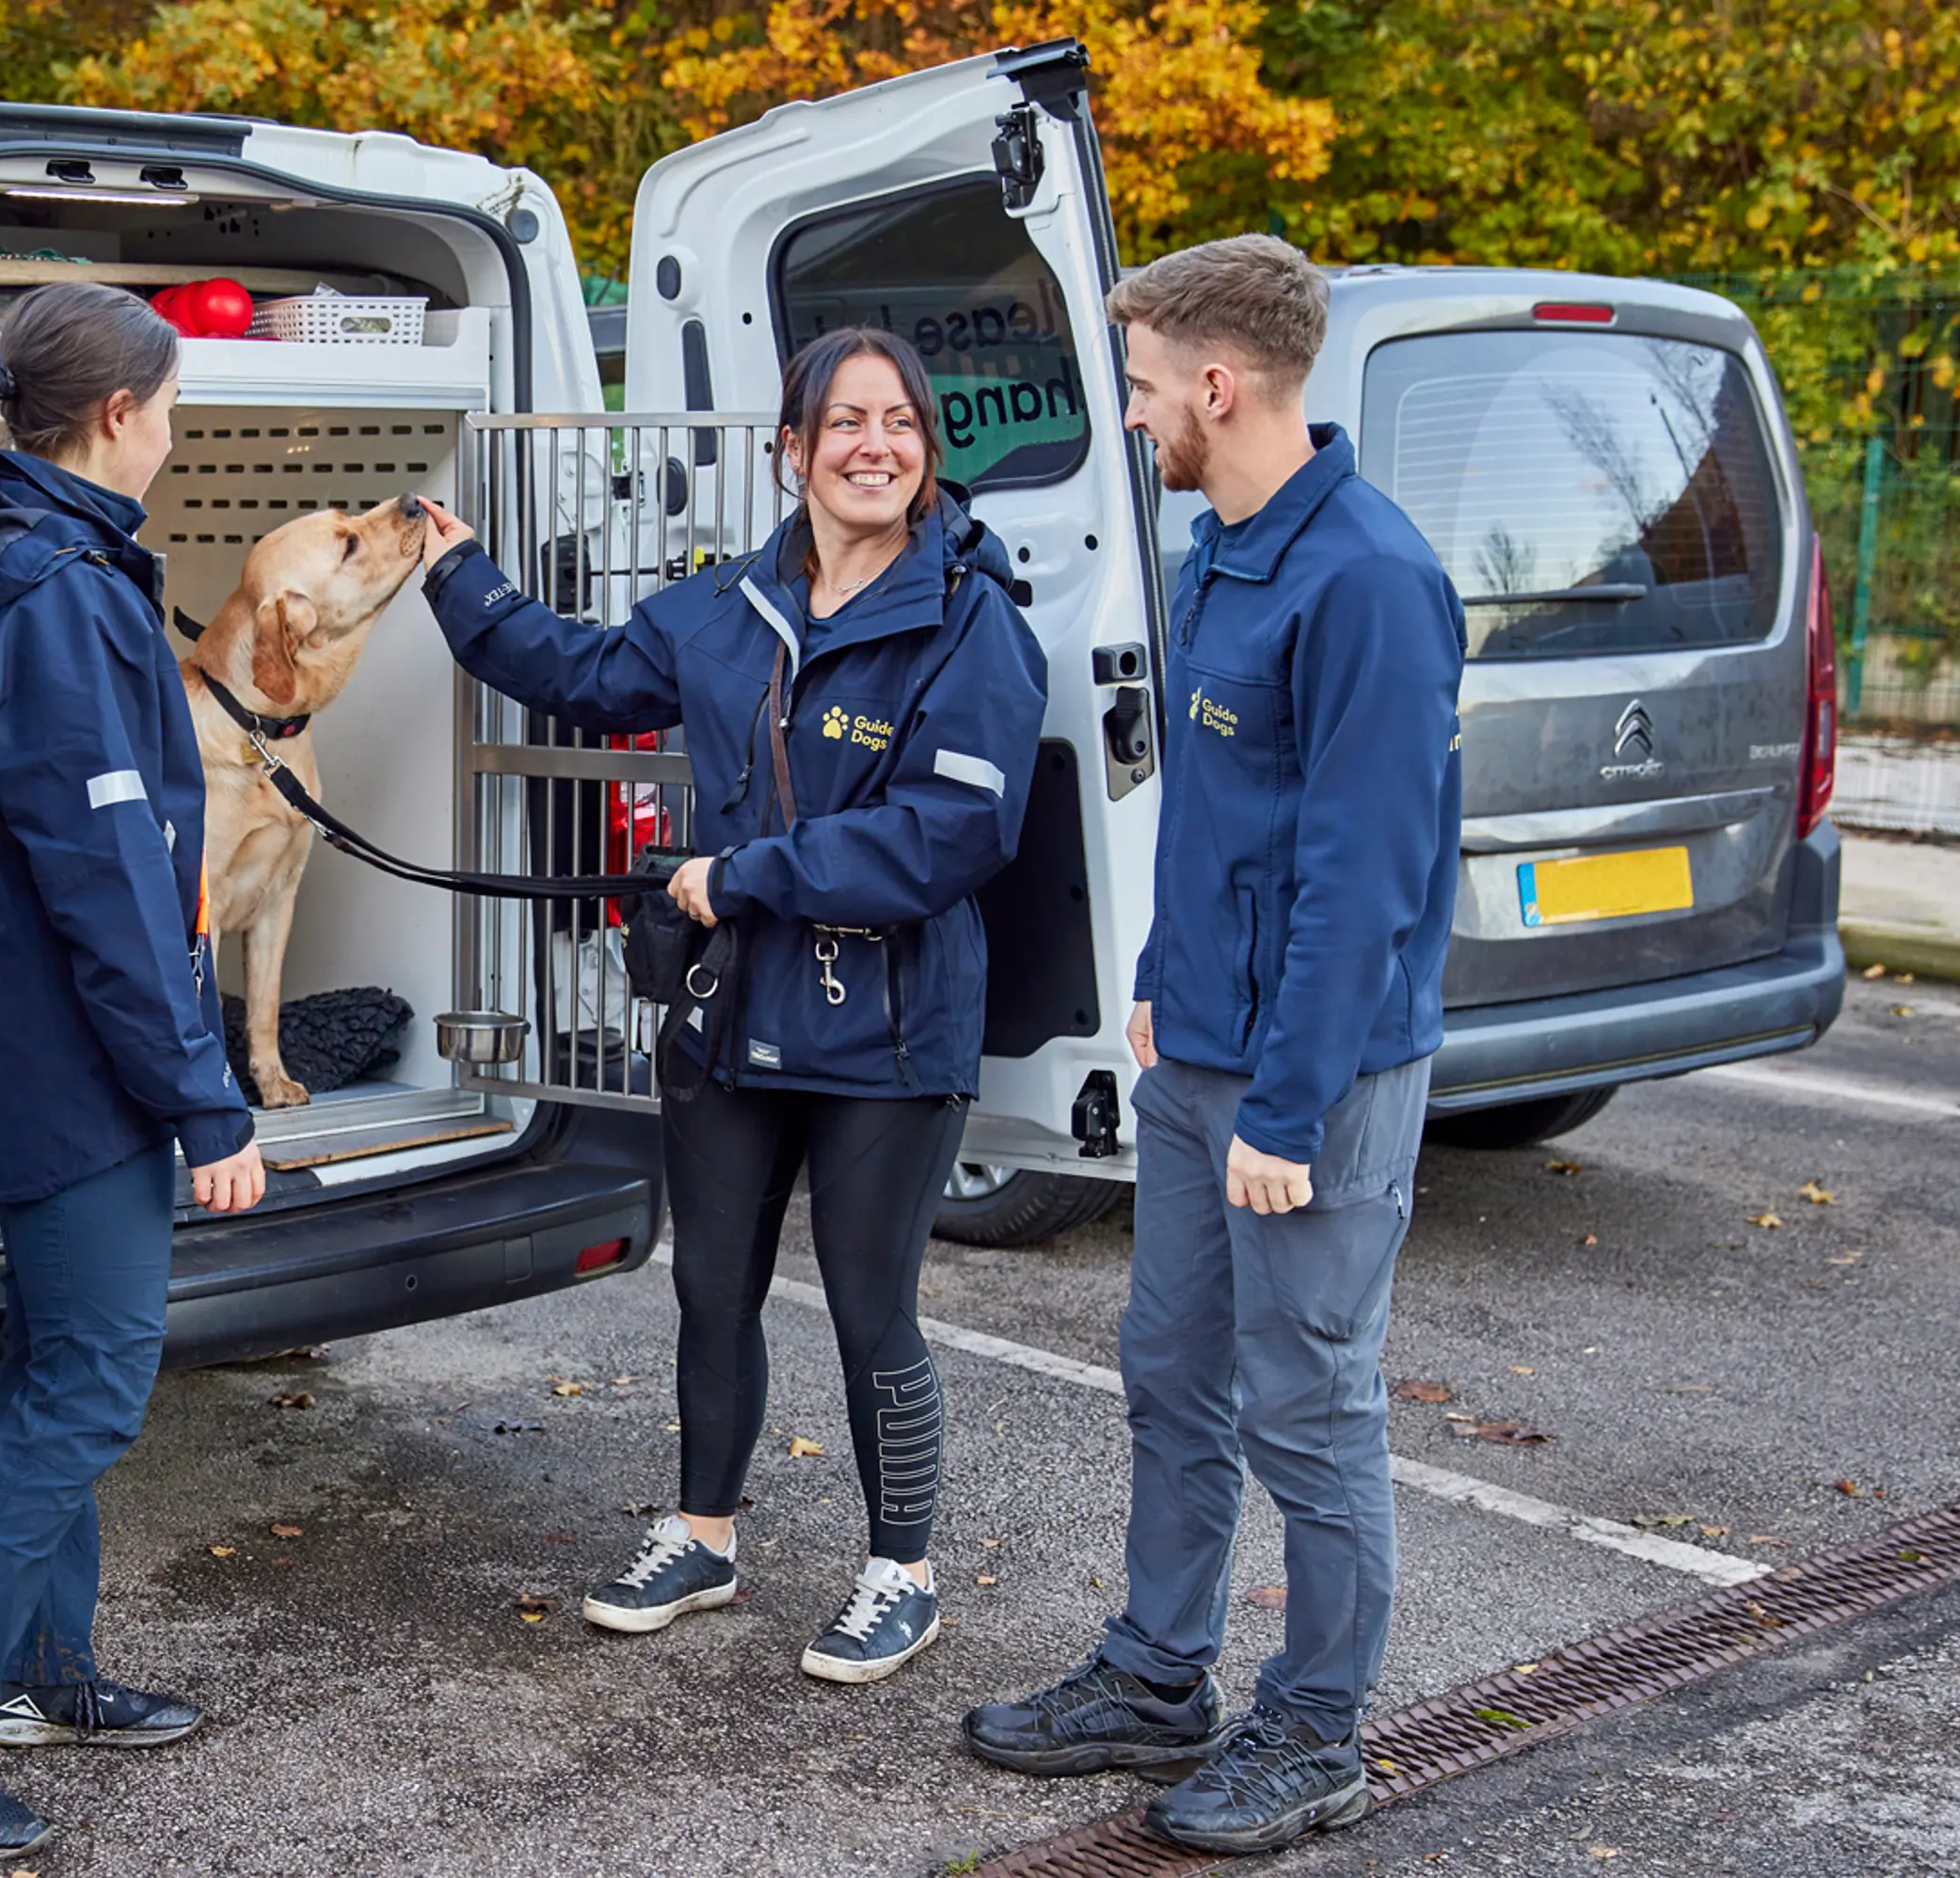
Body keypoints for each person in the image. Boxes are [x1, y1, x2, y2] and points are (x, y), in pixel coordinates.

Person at [417, 326, 1048, 1687]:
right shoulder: (724, 609)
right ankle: (704, 1535)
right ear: (793, 449)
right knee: (712, 1289)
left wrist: (739, 873)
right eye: (845, 422)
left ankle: (904, 1571)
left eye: (899, 423)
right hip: (729, 1012)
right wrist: (456, 576)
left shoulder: (972, 621)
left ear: (926, 452)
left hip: (887, 1029)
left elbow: (950, 838)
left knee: (875, 1305)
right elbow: (579, 674)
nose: (874, 445)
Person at [964, 235, 1464, 1856]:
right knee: (1170, 1371)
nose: (1134, 408)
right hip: (1200, 1058)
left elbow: (1364, 878)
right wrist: (1171, 983)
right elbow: (1216, 821)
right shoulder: (1215, 546)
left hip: (1312, 1080)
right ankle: (1157, 1675)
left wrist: (1292, 1107)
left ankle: (1317, 1728)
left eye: (1146, 382)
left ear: (1220, 385)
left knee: (1309, 1402)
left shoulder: (1369, 580)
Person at [0, 283, 270, 1862]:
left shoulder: (19, 565)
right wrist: (206, 1099)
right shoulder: (49, 593)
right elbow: (111, 878)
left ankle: (38, 1667)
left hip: (24, 1053)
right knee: (88, 1386)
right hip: (76, 1069)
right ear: (114, 416)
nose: (176, 425)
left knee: (51, 1361)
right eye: (168, 401)